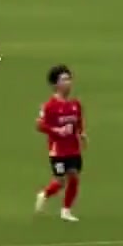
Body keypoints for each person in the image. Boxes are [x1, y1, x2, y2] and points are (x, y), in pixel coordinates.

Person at [35, 64, 86, 222]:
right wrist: (57, 131)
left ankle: (66, 211)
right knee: (60, 182)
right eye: (64, 79)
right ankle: (44, 194)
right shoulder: (49, 106)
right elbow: (40, 125)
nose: (68, 82)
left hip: (73, 149)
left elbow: (78, 121)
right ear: (55, 84)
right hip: (58, 152)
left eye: (69, 79)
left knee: (74, 177)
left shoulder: (75, 104)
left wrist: (82, 133)